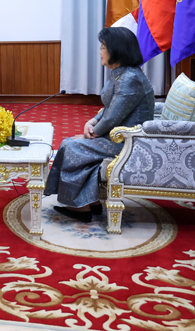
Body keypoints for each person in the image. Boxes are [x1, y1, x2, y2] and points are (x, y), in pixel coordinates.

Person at [43, 27, 154, 222]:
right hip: (117, 135)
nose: (100, 51)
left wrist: (93, 133)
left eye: (103, 47)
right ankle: (90, 202)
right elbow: (110, 107)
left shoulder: (130, 78)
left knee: (72, 146)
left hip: (128, 142)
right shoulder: (122, 74)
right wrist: (92, 121)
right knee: (72, 143)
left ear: (117, 50)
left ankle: (80, 207)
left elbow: (112, 118)